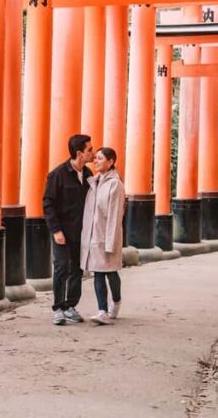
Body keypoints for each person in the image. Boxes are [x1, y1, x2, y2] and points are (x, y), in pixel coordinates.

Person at [43, 134, 94, 326]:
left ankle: (70, 306)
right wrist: (56, 230)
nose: (93, 152)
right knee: (61, 268)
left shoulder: (88, 175)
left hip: (82, 232)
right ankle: (57, 308)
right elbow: (48, 203)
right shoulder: (57, 174)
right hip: (62, 232)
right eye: (90, 150)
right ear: (79, 153)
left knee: (77, 269)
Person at [80, 147, 126, 325]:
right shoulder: (94, 182)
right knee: (98, 273)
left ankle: (116, 301)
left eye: (100, 158)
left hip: (107, 236)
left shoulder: (115, 185)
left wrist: (110, 242)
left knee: (111, 273)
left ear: (111, 162)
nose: (95, 161)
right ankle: (102, 311)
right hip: (93, 235)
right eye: (96, 158)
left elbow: (115, 215)